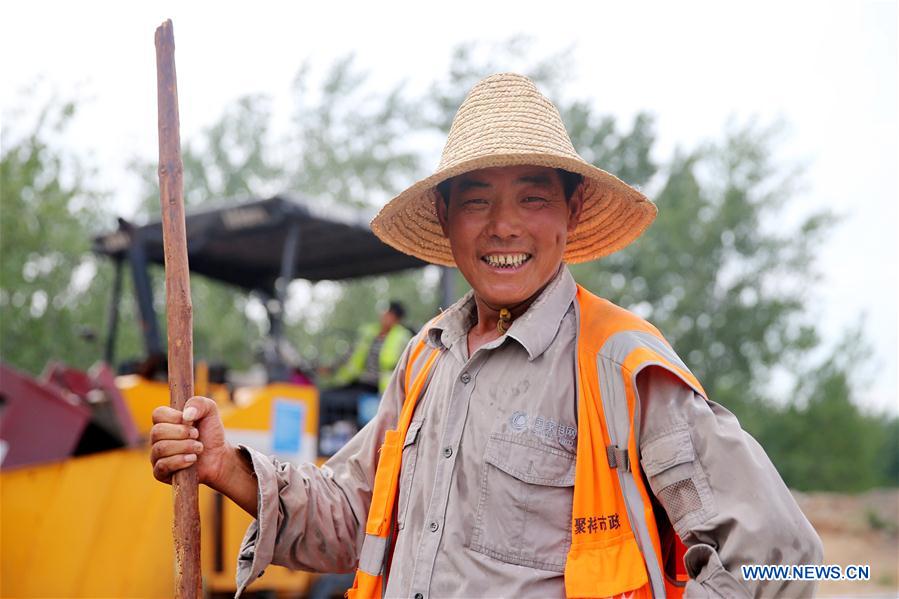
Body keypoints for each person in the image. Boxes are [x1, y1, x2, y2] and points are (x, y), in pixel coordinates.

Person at [150, 73, 823, 598]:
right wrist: (224, 466)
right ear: (445, 218)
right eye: (476, 200)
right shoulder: (424, 359)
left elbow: (779, 560)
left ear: (571, 210)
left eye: (532, 197)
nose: (503, 226)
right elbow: (350, 519)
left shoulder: (620, 367)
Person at [330, 301, 413, 395]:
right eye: (386, 312)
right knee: (329, 395)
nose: (385, 316)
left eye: (390, 314)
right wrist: (332, 368)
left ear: (397, 319)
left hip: (381, 388)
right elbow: (350, 353)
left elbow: (406, 365)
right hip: (360, 380)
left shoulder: (403, 337)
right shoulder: (369, 332)